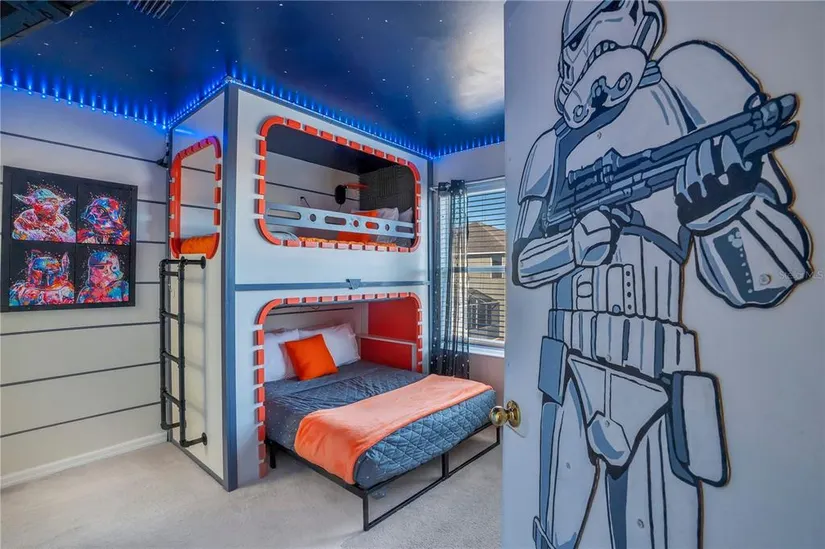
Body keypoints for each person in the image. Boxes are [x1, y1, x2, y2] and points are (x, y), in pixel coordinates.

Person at [512, 2, 812, 548]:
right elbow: (522, 263)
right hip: (567, 368)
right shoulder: (548, 148)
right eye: (579, 41)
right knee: (550, 537)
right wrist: (573, 246)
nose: (588, 53)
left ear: (644, 24)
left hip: (653, 370)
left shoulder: (685, 79)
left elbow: (774, 271)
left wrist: (723, 212)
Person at [8, 251, 74, 306]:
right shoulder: (20, 289)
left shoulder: (66, 290)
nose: (47, 275)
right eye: (39, 270)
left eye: (50, 270)